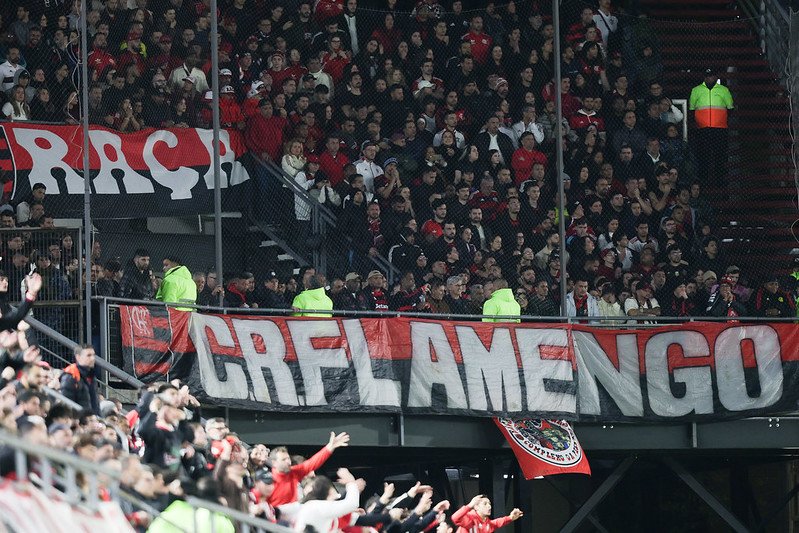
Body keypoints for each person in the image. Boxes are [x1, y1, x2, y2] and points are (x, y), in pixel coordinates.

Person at [267, 431, 350, 505]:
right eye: (283, 459)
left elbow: (311, 463)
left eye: (288, 458)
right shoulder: (268, 481)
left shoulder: (293, 471)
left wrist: (330, 447)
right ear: (274, 463)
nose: (288, 462)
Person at [688, 68, 734, 187]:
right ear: (704, 77)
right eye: (707, 76)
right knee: (703, 156)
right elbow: (692, 110)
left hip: (719, 129)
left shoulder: (724, 90)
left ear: (716, 77)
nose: (709, 78)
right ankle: (703, 183)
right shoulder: (696, 90)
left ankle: (720, 182)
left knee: (720, 156)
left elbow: (730, 108)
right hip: (703, 129)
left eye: (712, 76)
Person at [59, 345, 100, 415]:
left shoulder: (91, 376)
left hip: (91, 420)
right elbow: (67, 403)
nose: (93, 358)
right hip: (80, 420)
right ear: (78, 357)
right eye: (89, 355)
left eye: (93, 355)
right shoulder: (70, 376)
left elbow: (95, 404)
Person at [451, 494, 523, 533]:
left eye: (489, 504)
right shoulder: (470, 519)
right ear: (476, 507)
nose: (489, 506)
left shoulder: (487, 523)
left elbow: (497, 522)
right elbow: (455, 518)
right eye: (485, 504)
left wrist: (510, 517)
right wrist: (470, 505)